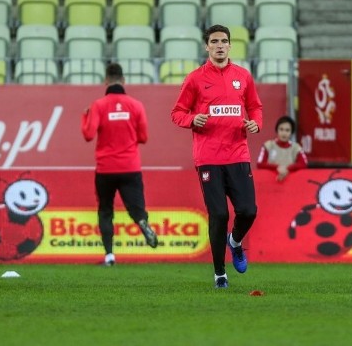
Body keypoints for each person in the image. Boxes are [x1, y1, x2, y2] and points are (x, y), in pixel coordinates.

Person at [171, 24, 263, 288]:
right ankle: (220, 273)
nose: (220, 45)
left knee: (248, 210)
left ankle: (234, 242)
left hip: (238, 153)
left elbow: (255, 106)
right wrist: (192, 119)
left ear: (230, 45)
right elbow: (177, 112)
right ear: (207, 46)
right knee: (219, 215)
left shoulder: (243, 76)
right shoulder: (195, 79)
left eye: (224, 41)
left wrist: (256, 123)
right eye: (215, 41)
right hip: (208, 157)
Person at [81, 63, 158, 266]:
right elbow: (144, 137)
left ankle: (109, 256)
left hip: (106, 168)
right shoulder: (136, 105)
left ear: (106, 82)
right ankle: (142, 221)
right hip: (130, 166)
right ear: (124, 81)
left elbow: (89, 135)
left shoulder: (98, 105)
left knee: (106, 210)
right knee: (136, 208)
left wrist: (84, 117)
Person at [257, 115, 308, 181]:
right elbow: (260, 164)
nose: (284, 133)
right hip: (270, 183)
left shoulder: (296, 148)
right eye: (281, 129)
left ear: (291, 132)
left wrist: (287, 169)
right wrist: (277, 167)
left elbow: (304, 163)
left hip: (290, 184)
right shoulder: (268, 145)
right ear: (277, 130)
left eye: (287, 130)